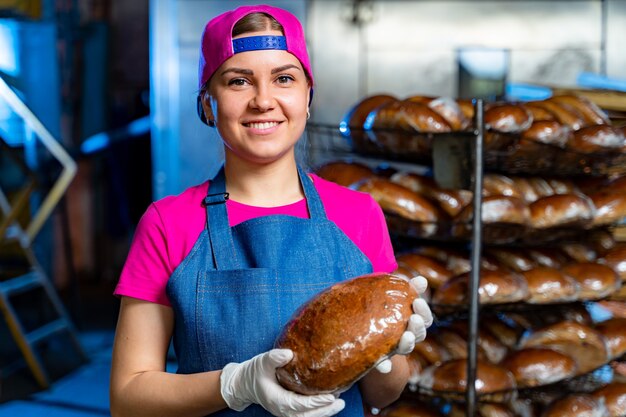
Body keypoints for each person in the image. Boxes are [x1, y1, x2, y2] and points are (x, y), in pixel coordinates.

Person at [109, 4, 432, 417]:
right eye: (238, 81)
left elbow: (382, 395)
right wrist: (235, 385)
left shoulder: (360, 213)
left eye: (283, 78)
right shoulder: (168, 223)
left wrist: (389, 352)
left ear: (307, 97)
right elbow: (128, 398)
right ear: (208, 103)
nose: (264, 101)